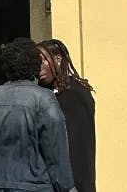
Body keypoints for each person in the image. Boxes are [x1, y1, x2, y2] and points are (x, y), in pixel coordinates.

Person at [0, 38, 75, 192]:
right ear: (34, 63)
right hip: (34, 185)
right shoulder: (44, 97)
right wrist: (68, 188)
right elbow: (56, 153)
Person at [39, 39, 96, 192]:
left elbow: (79, 146)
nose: (39, 68)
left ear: (58, 59)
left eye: (43, 61)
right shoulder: (42, 93)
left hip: (74, 182)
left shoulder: (75, 95)